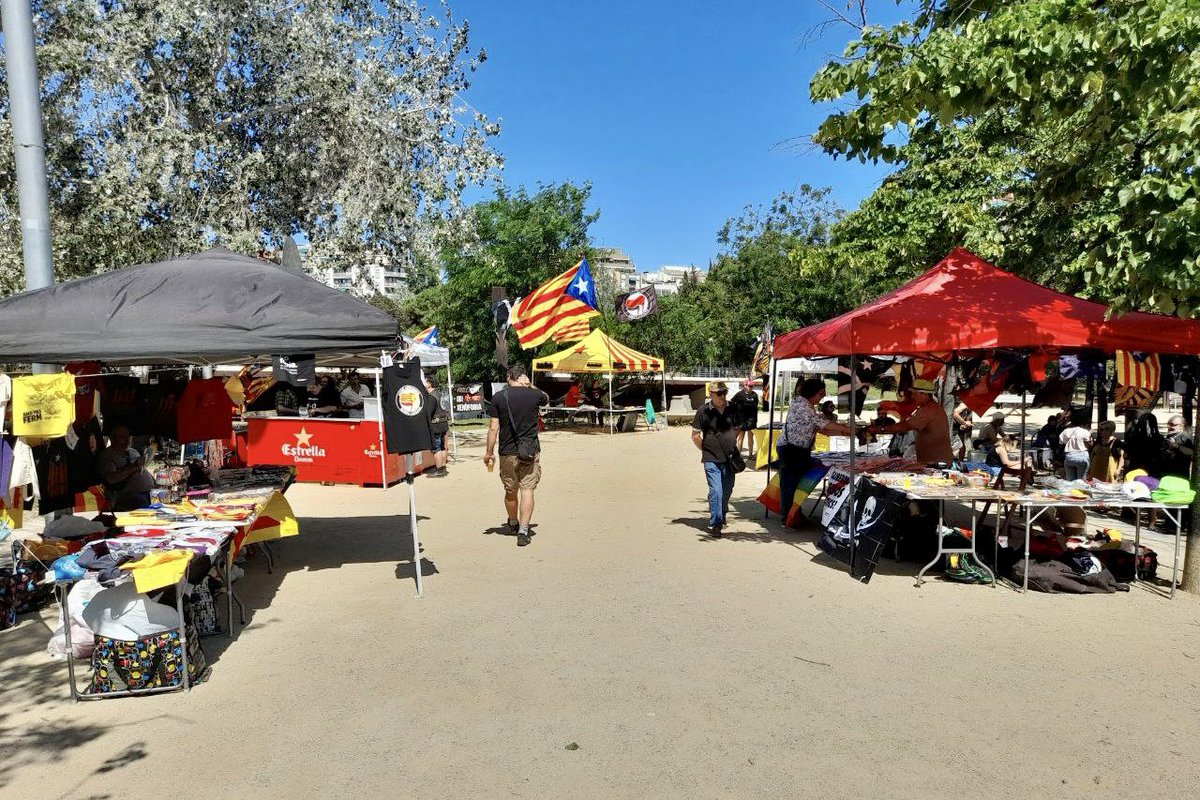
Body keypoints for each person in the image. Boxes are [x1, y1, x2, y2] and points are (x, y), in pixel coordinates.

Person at [776, 378, 857, 524]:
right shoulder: (803, 407)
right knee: (790, 484)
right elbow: (823, 424)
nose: (822, 397)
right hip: (791, 450)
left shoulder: (805, 405)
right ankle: (788, 517)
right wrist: (849, 429)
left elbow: (822, 430)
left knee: (794, 483)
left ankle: (794, 514)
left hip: (798, 450)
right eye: (820, 394)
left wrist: (846, 432)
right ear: (811, 392)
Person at [484, 364, 549, 547]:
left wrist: (489, 452)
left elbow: (493, 428)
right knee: (527, 489)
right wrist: (530, 386)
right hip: (529, 450)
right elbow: (547, 398)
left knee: (511, 491)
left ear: (508, 377)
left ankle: (513, 522)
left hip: (507, 452)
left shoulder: (498, 397)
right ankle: (523, 530)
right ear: (524, 378)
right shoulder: (534, 394)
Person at [691, 382, 742, 536]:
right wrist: (706, 450)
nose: (723, 396)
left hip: (730, 458)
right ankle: (716, 523)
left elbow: (738, 428)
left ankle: (721, 509)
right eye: (719, 393)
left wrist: (734, 444)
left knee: (727, 490)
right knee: (716, 490)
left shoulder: (733, 408)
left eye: (724, 392)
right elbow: (695, 435)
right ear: (711, 394)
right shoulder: (703, 411)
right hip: (711, 458)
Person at [867, 379, 954, 466]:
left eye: (914, 394)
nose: (912, 396)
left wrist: (880, 429)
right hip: (932, 461)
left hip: (937, 462)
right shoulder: (926, 408)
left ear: (923, 394)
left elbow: (905, 427)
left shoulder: (929, 410)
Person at [97, 423, 156, 511]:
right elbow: (110, 479)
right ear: (112, 438)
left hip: (149, 491)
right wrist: (132, 468)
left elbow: (142, 470)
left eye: (129, 437)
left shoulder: (133, 451)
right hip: (128, 497)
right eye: (122, 437)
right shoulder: (107, 456)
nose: (127, 440)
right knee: (140, 501)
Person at [425, 377, 451, 477]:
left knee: (436, 448)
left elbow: (428, 413)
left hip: (436, 425)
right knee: (442, 447)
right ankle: (443, 468)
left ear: (429, 384)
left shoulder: (431, 397)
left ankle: (439, 470)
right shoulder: (439, 394)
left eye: (426, 381)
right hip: (443, 424)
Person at [1059, 409, 1092, 481]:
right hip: (1082, 456)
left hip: (1069, 456)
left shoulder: (1066, 431)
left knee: (1070, 481)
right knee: (1081, 480)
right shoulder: (1085, 432)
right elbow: (1089, 444)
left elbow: (1061, 443)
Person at [730, 379, 759, 458]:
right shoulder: (739, 394)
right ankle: (739, 454)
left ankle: (750, 455)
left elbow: (756, 405)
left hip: (752, 420)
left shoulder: (755, 395)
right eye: (750, 386)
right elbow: (731, 403)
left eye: (752, 386)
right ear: (744, 385)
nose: (751, 387)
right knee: (741, 437)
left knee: (751, 437)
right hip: (741, 420)